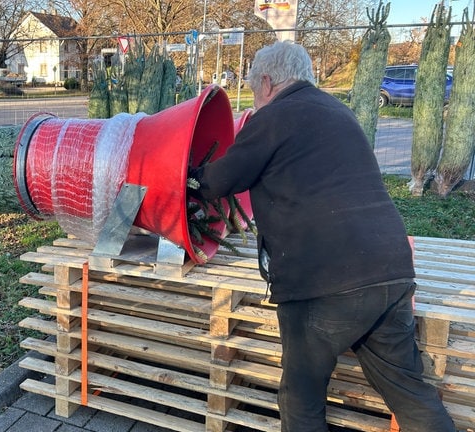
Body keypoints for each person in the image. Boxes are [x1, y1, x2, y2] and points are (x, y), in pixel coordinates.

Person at [188, 41, 454, 432]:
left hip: (324, 281)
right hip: (391, 272)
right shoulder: (338, 112)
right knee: (409, 392)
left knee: (302, 399)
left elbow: (222, 179)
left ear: (266, 82)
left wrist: (188, 176)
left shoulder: (275, 116)